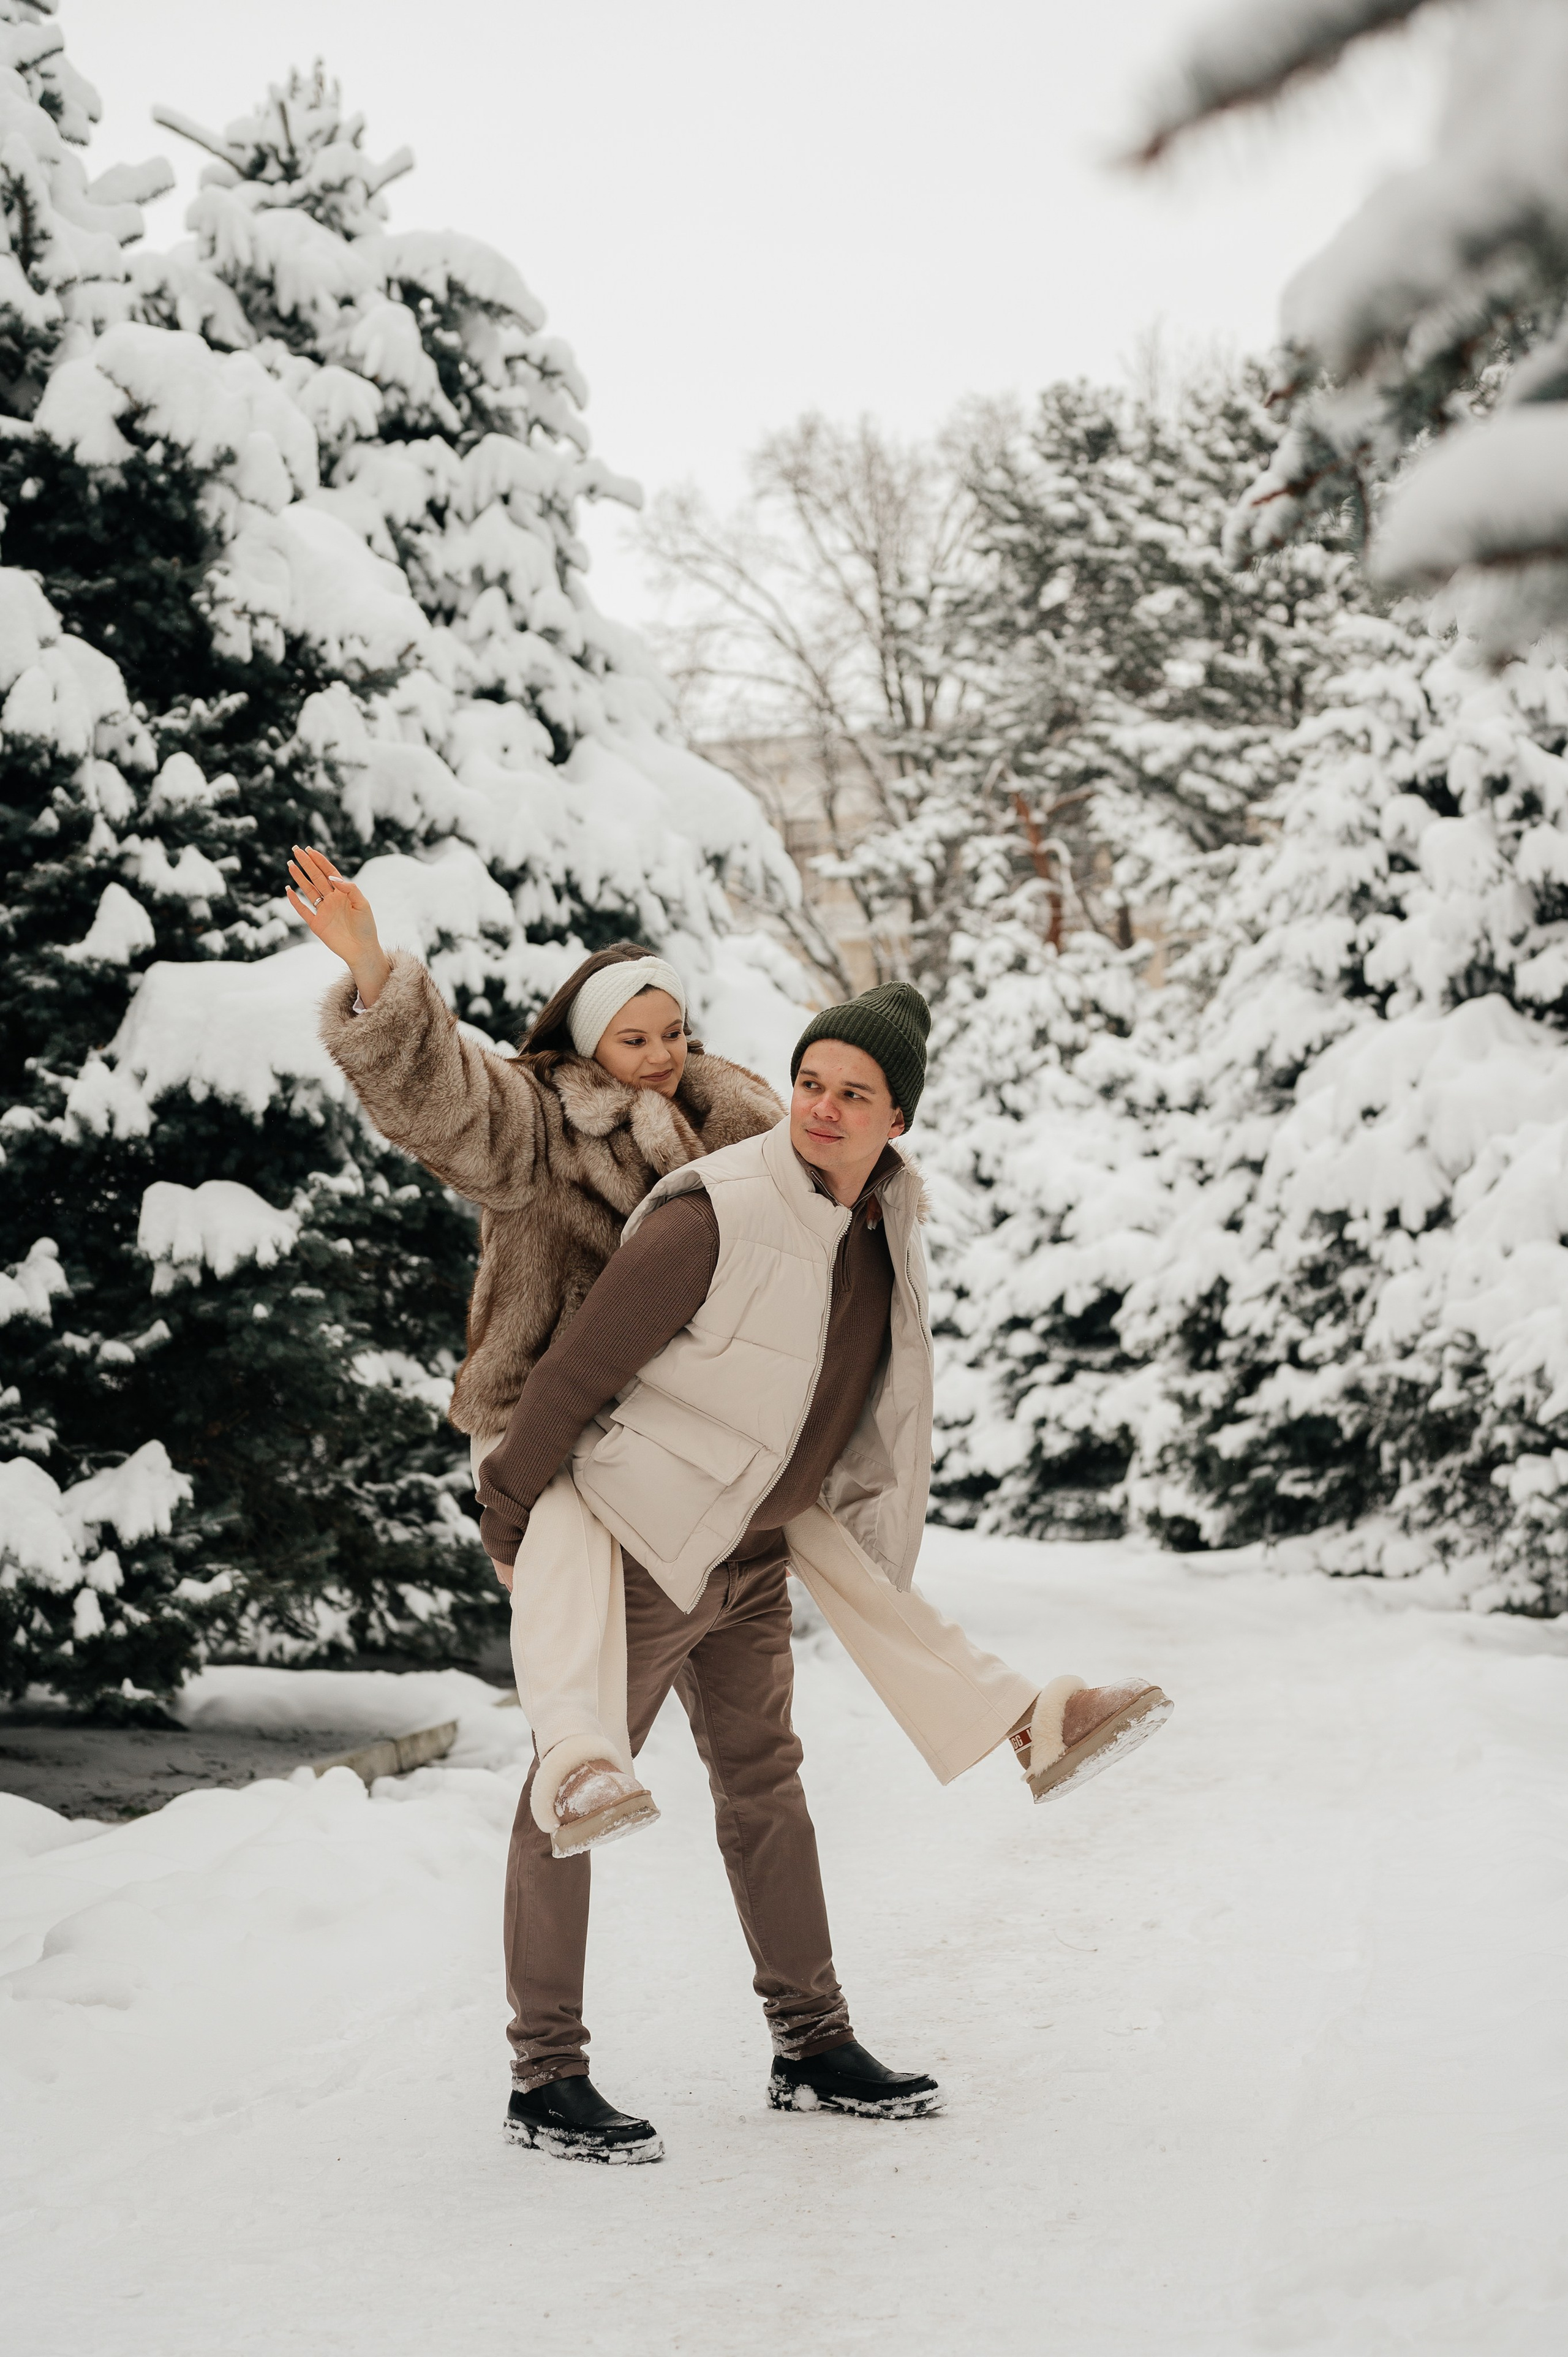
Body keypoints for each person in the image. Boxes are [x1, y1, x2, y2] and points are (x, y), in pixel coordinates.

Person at [476, 976, 1173, 2164]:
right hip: (647, 1547)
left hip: (752, 1557)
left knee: (766, 1787)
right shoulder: (713, 1214)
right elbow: (574, 1375)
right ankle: (545, 2073)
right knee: (573, 1782)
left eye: (854, 1093)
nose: (821, 1108)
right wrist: (510, 1515)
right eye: (808, 1084)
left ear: (895, 1118)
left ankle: (810, 2042)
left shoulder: (880, 1216)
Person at [285, 843, 785, 1843]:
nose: (662, 1053)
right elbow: (448, 1093)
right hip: (539, 1421)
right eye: (635, 1037)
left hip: (673, 1437)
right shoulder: (537, 1126)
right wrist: (376, 970)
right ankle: (577, 1764)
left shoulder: (726, 1128)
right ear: (589, 1043)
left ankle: (1001, 1710)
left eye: (674, 1031)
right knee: (558, 1585)